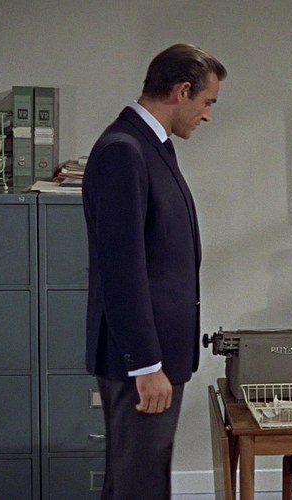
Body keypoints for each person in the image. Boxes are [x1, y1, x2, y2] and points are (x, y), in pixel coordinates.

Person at [82, 43, 226, 500]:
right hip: (143, 361)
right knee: (139, 485)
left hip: (158, 356)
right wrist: (145, 364)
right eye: (207, 102)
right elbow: (122, 270)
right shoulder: (124, 150)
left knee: (136, 481)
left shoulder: (151, 146)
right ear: (182, 91)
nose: (207, 115)